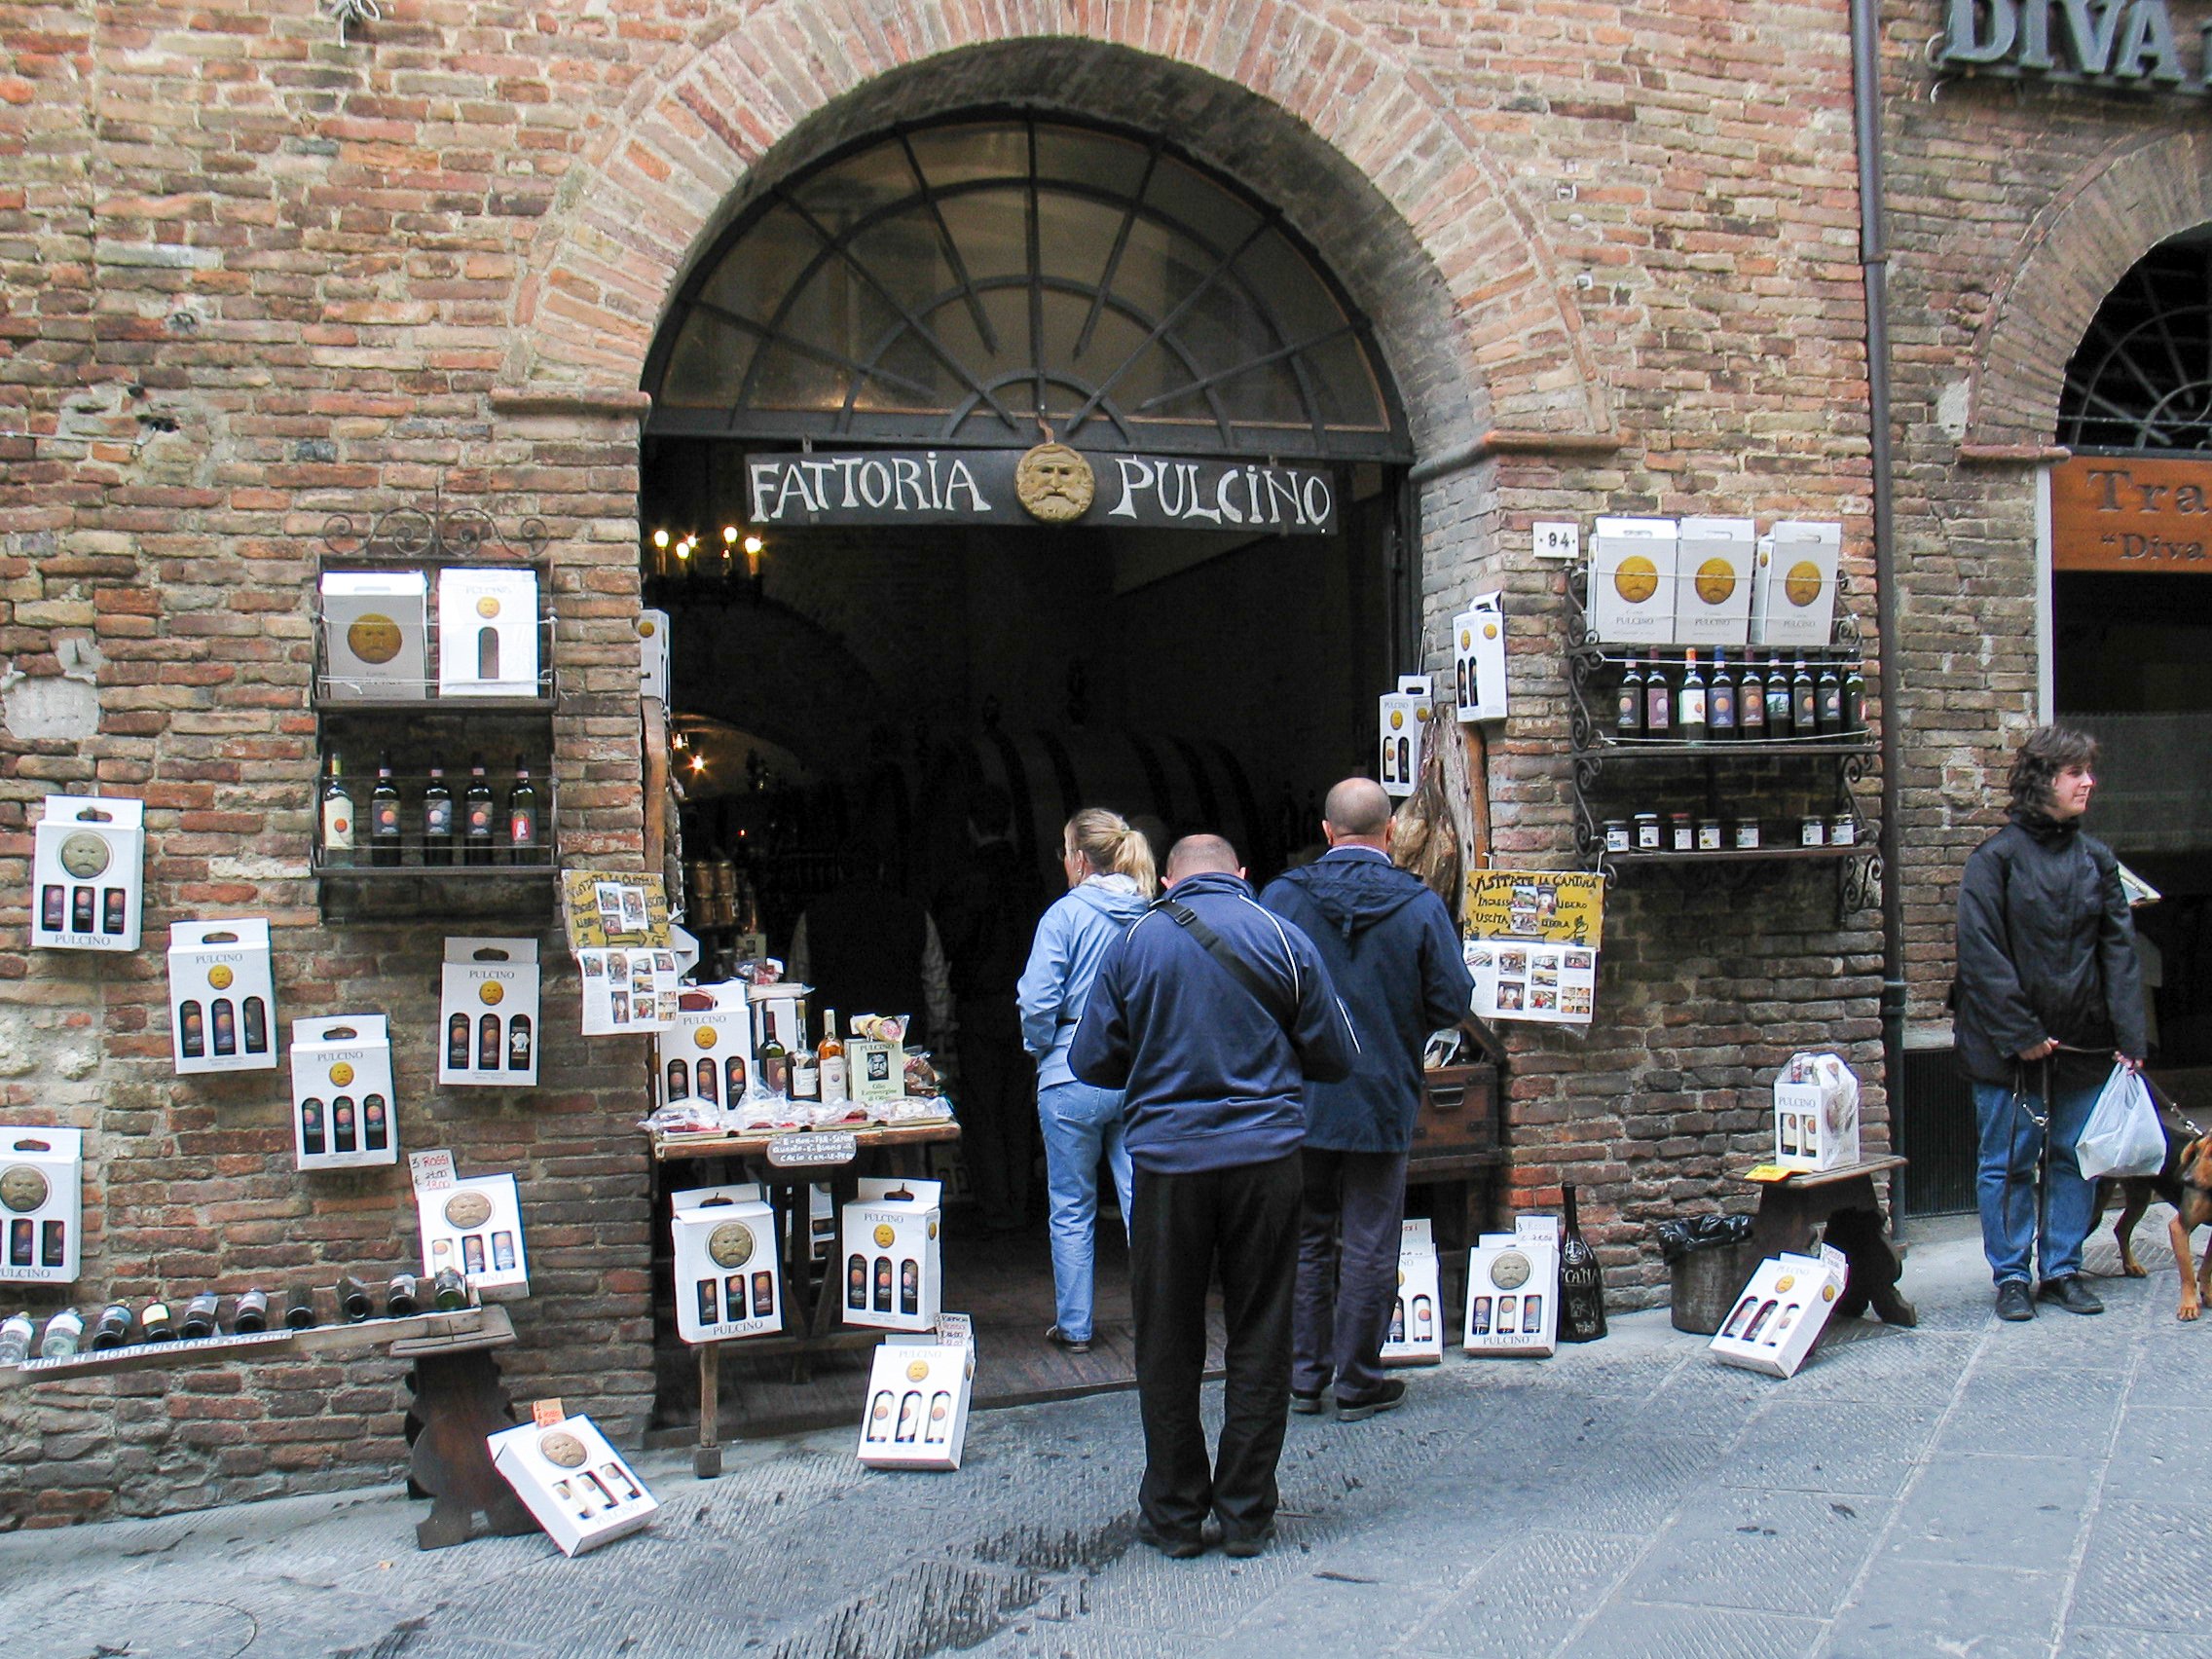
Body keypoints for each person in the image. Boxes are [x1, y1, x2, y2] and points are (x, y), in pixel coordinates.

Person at [1070, 833, 1357, 1560]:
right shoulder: (1283, 937)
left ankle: (1172, 1514)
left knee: (1166, 1335)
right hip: (1266, 1160)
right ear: (1242, 873)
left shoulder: (1136, 942)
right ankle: (1245, 1514)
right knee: (1261, 1329)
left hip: (1169, 1165)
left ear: (1165, 879)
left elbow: (1091, 1061)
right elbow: (1336, 1054)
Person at [1260, 777, 1473, 1419]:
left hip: (1299, 1096)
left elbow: (1256, 993)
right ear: (1388, 833)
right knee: (1372, 1237)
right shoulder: (1418, 905)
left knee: (1305, 1237)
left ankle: (1304, 1376)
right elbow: (1452, 1001)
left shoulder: (1282, 899)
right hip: (1380, 1092)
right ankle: (1357, 1379)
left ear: (1326, 832)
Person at [1954, 724, 2146, 1322]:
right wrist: (2022, 1033)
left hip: (2085, 1042)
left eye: (2089, 771)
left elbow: (2119, 951)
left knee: (2071, 1156)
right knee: (2008, 1161)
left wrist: (2130, 1036)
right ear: (2042, 782)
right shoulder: (1995, 861)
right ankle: (2011, 1275)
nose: (2089, 782)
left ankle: (2062, 1268)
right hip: (2008, 1047)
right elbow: (1981, 954)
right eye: (2075, 772)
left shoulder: (2098, 860)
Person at [1015, 808, 1156, 1354]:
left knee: (1071, 1205)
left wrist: (1038, 1045)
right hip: (1137, 1068)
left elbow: (1037, 1000)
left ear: (1077, 858)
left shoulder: (1063, 916)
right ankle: (1158, 1320)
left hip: (1069, 1069)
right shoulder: (1149, 912)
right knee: (1142, 1198)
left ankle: (1075, 1328)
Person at [933, 788, 1047, 1233]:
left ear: (971, 828)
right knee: (1019, 1105)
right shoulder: (1029, 875)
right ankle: (1021, 1199)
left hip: (979, 1005)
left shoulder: (964, 877)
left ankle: (996, 1205)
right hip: (1026, 1004)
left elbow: (950, 942)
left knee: (981, 1108)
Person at [789, 837, 954, 1051]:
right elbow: (935, 978)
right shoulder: (914, 914)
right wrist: (938, 1026)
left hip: (835, 1040)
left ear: (840, 871)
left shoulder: (813, 917)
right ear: (881, 869)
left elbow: (797, 984)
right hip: (902, 1037)